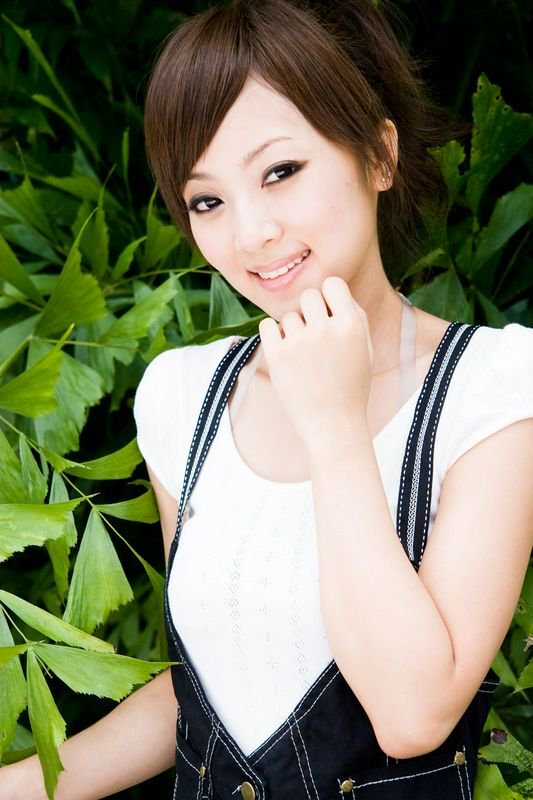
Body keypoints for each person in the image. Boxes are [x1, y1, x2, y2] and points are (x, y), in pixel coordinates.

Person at [2, 0, 532, 798]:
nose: (250, 233)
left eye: (280, 172)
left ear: (379, 155)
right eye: (207, 201)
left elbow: (412, 715)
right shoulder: (184, 396)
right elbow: (208, 685)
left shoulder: (492, 386)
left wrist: (333, 424)